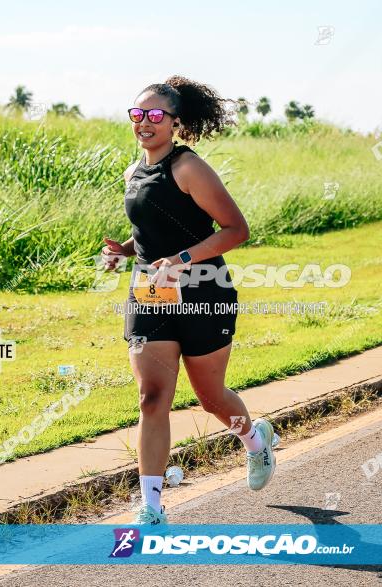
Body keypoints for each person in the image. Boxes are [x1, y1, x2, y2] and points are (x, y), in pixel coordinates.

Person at [101, 76, 276, 526]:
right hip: (151, 295)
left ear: (175, 123)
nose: (145, 122)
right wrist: (125, 251)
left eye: (156, 115)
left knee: (211, 397)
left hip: (203, 292)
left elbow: (236, 230)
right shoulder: (132, 172)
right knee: (152, 397)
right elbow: (152, 229)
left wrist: (182, 258)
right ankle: (151, 508)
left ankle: (255, 440)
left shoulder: (188, 168)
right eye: (138, 114)